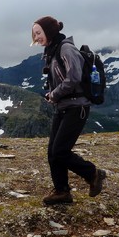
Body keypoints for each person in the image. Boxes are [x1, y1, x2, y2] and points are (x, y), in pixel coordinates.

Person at [31, 16, 106, 205]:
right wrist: (54, 95)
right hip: (63, 107)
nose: (36, 37)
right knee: (53, 152)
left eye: (38, 32)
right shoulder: (52, 50)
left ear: (49, 31)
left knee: (61, 151)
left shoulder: (66, 48)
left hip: (76, 107)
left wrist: (54, 94)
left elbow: (74, 78)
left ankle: (93, 173)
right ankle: (62, 192)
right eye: (34, 34)